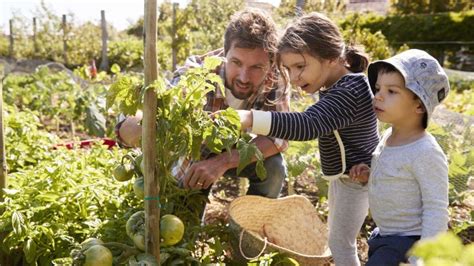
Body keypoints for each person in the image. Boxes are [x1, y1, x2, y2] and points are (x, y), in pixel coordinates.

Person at [235, 12, 379, 266]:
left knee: (341, 244)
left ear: (332, 58)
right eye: (288, 69)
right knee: (341, 240)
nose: (294, 77)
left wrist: (249, 118)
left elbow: (307, 125)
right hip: (348, 178)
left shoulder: (350, 91)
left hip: (359, 180)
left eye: (300, 66)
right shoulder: (339, 87)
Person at [115, 9, 289, 199]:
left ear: (271, 62)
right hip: (196, 153)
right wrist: (134, 126)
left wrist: (222, 162)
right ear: (224, 53)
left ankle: (248, 225)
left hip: (237, 150)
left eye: (257, 67)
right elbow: (147, 121)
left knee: (274, 168)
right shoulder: (197, 75)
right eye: (236, 62)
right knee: (186, 214)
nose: (244, 77)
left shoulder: (276, 76)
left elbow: (278, 138)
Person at [349, 49, 450, 266]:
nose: (378, 96)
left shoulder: (425, 152)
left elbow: (436, 208)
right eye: (378, 89)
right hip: (384, 236)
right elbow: (396, 175)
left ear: (419, 105)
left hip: (408, 243)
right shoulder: (388, 136)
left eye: (392, 91)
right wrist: (370, 175)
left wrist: (422, 258)